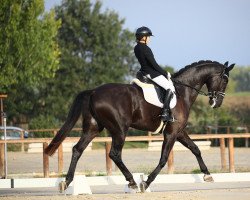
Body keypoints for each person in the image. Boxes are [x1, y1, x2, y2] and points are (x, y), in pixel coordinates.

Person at [134, 26, 175, 123]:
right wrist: (166, 73)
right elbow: (154, 65)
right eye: (149, 37)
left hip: (143, 72)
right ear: (144, 37)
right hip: (152, 73)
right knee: (170, 88)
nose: (149, 39)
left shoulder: (136, 48)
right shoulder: (146, 48)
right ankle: (165, 113)